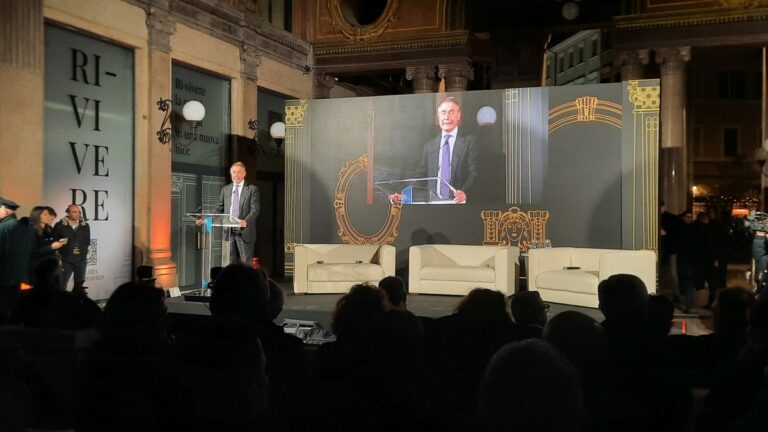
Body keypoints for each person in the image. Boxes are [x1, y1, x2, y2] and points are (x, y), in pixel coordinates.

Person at [391, 97, 479, 204]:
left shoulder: (470, 142)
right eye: (443, 112)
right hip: (433, 205)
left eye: (451, 112)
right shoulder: (430, 146)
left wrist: (465, 193)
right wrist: (404, 195)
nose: (446, 117)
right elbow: (421, 176)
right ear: (438, 116)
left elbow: (474, 173)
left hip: (458, 204)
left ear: (459, 115)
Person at [198, 162, 260, 265]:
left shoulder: (252, 189)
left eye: (239, 172)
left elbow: (255, 209)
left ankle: (245, 281)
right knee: (230, 263)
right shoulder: (226, 189)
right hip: (228, 230)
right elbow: (218, 209)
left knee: (245, 264)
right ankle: (232, 281)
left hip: (244, 230)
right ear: (231, 174)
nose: (236, 175)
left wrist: (245, 221)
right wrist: (206, 220)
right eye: (234, 172)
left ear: (244, 173)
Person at [0, 197, 35, 323]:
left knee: (4, 315)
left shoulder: (2, 228)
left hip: (4, 281)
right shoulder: (28, 229)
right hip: (24, 279)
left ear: (5, 210)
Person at [52, 204, 90, 294]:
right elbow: (54, 242)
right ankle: (61, 305)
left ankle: (77, 305)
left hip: (81, 260)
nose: (78, 214)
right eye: (74, 211)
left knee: (79, 286)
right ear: (68, 213)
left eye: (79, 212)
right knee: (61, 285)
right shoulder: (59, 225)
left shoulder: (85, 225)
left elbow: (87, 241)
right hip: (65, 261)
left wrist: (82, 250)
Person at [29, 206, 67, 270]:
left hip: (50, 266)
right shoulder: (30, 230)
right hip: (37, 267)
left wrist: (59, 243)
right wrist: (51, 247)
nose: (49, 216)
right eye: (45, 214)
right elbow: (32, 252)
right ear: (37, 215)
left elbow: (51, 244)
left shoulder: (49, 228)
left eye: (48, 214)